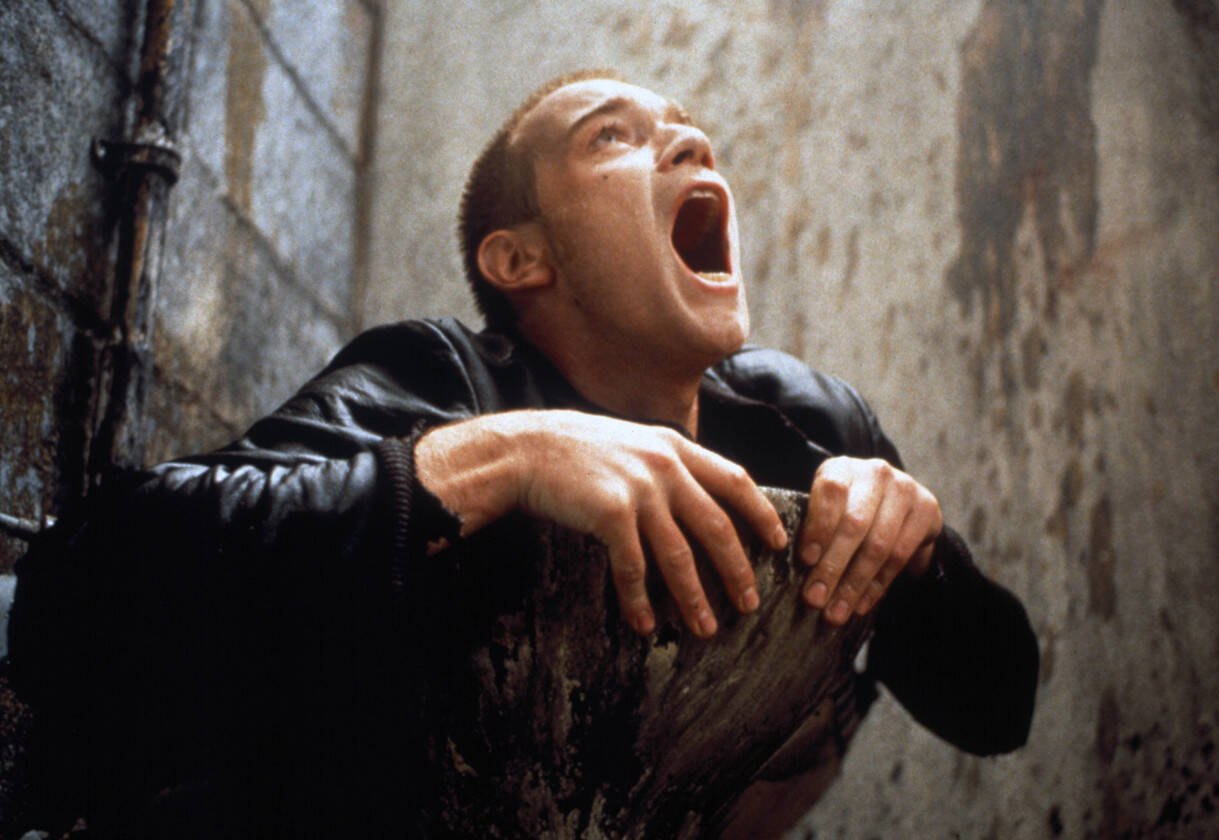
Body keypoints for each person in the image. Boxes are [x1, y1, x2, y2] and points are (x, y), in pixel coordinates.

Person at [11, 71, 1037, 838]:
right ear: (520, 258)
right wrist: (501, 460)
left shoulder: (810, 427)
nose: (691, 142)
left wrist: (923, 557)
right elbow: (75, 595)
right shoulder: (438, 378)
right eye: (612, 137)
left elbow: (998, 711)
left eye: (687, 128)